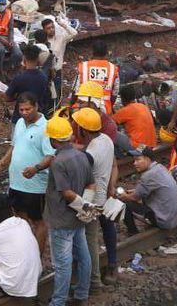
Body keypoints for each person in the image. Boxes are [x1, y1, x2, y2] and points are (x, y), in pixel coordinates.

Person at [0, 93, 54, 252]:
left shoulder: (45, 128)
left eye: (28, 109)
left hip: (35, 186)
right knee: (19, 219)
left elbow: (50, 156)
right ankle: (24, 253)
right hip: (16, 182)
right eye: (22, 110)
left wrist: (36, 168)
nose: (25, 113)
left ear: (36, 107)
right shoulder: (19, 123)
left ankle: (37, 256)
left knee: (38, 221)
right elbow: (14, 146)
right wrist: (1, 164)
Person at [42, 115, 94, 306]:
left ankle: (58, 302)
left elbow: (66, 193)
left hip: (61, 219)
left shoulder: (58, 161)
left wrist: (83, 208)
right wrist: (86, 208)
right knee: (83, 256)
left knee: (62, 264)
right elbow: (91, 184)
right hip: (77, 219)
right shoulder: (81, 155)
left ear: (53, 140)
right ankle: (81, 294)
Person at [73, 106, 116, 291]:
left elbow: (83, 175)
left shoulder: (90, 155)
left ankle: (94, 282)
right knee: (91, 238)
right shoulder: (105, 139)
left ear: (83, 129)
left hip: (92, 201)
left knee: (89, 241)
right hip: (103, 196)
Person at [120, 146, 177, 234]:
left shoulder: (149, 175)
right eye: (134, 160)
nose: (134, 163)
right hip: (171, 217)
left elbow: (134, 198)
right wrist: (135, 191)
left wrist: (123, 195)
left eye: (138, 160)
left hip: (163, 220)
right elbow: (148, 189)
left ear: (148, 159)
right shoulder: (159, 167)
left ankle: (133, 232)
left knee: (124, 204)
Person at [4, 44, 53, 120]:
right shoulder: (43, 77)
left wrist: (18, 97)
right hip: (37, 116)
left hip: (20, 117)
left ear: (24, 58)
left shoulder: (19, 78)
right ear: (38, 59)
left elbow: (7, 98)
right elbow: (46, 96)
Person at [77, 41, 119, 113]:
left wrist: (71, 105)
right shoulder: (113, 68)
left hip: (84, 107)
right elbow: (115, 92)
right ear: (106, 52)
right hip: (104, 109)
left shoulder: (83, 66)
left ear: (92, 51)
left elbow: (76, 89)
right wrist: (110, 105)